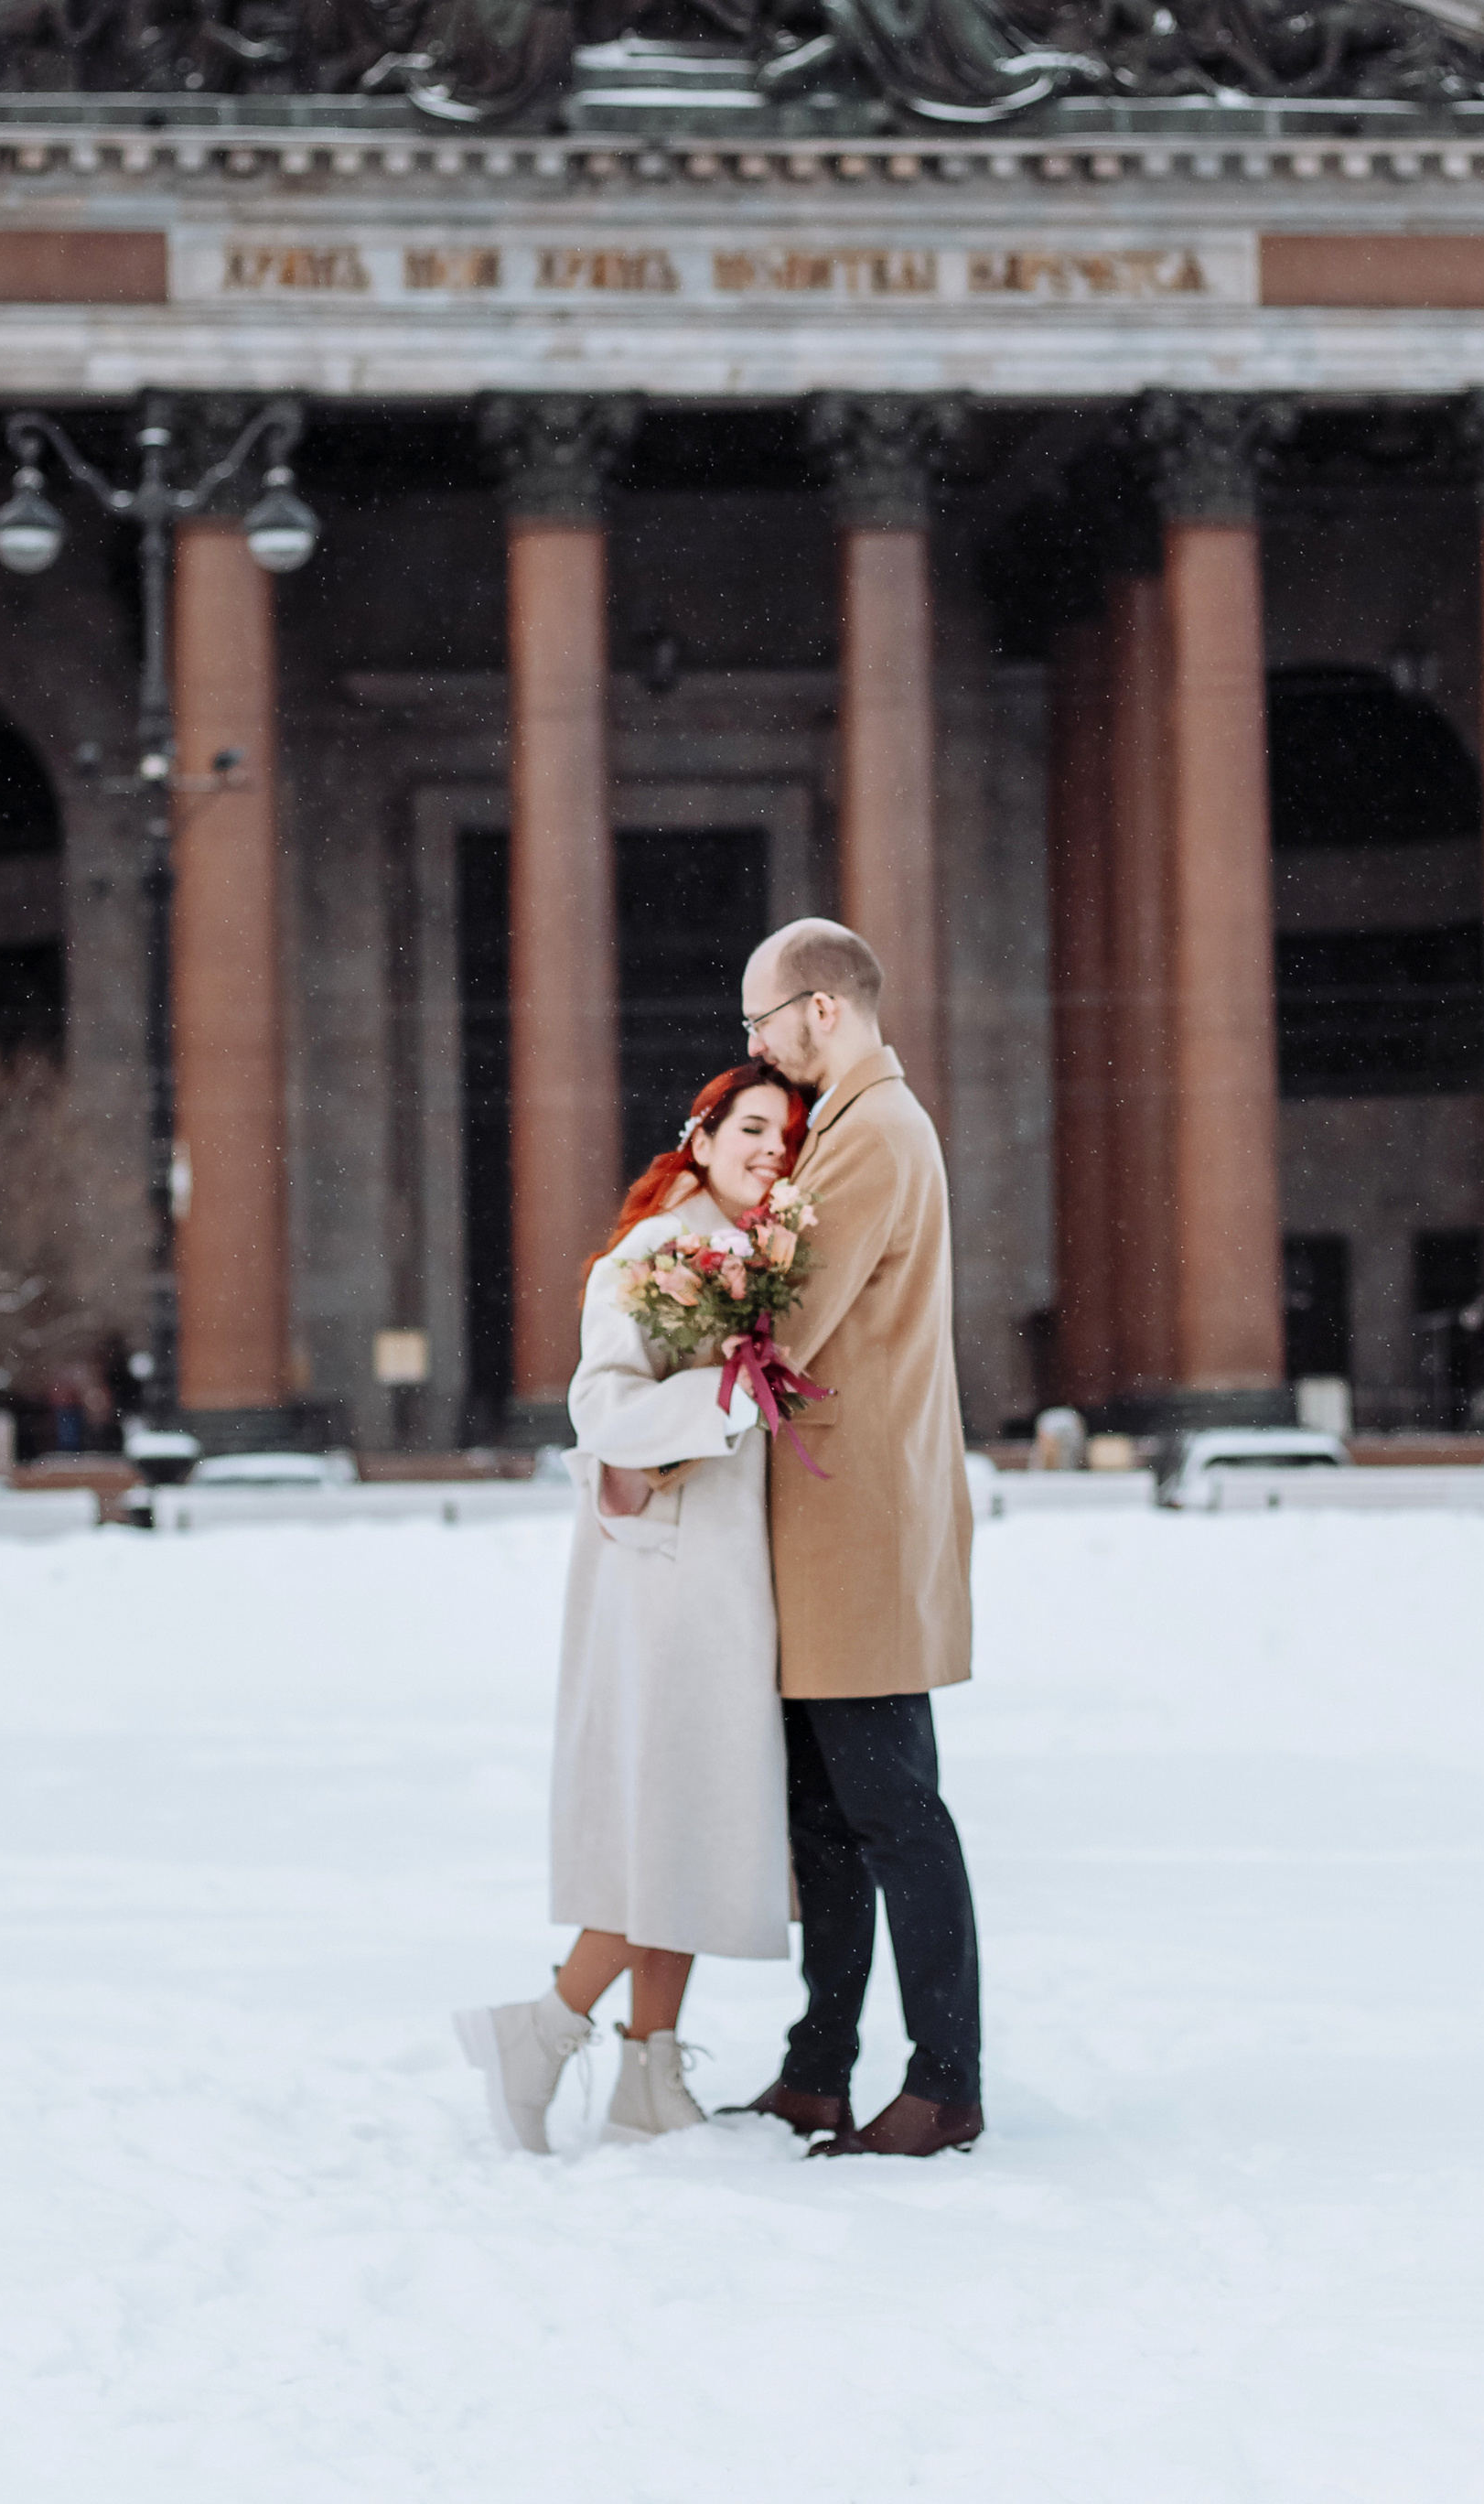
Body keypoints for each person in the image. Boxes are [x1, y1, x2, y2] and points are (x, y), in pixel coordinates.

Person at [455, 1063, 808, 2154]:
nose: (771, 1149)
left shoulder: (760, 1255)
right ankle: (549, 2026)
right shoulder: (652, 1252)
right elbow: (599, 1407)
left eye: (788, 1136)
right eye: (752, 1127)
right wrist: (726, 1390)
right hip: (660, 1583)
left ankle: (648, 2065)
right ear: (699, 1138)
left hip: (720, 1576)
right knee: (674, 1816)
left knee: (688, 1816)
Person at [726, 917, 983, 2158]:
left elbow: (788, 1318)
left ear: (821, 1009)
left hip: (861, 1525)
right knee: (829, 1821)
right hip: (835, 1524)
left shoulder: (873, 1131)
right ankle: (818, 2066)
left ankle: (944, 2081)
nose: (757, 1049)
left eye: (761, 1022)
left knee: (892, 1814)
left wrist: (681, 1311)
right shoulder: (855, 1126)